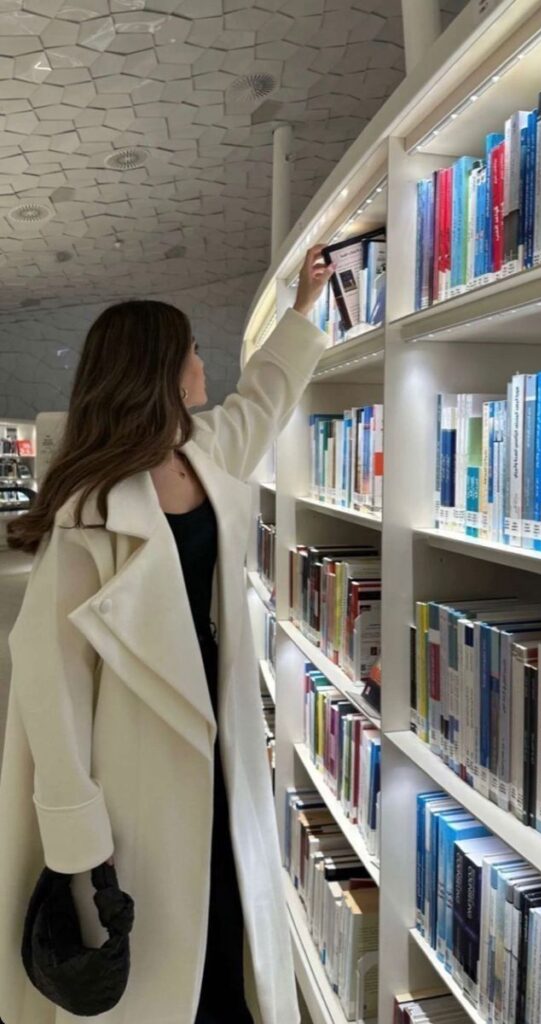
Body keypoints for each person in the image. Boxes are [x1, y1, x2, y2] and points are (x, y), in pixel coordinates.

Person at [0, 246, 334, 1024]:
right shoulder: (90, 509)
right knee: (156, 944)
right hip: (133, 747)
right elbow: (49, 679)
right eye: (189, 349)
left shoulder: (205, 451)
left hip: (214, 715)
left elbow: (267, 395)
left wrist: (306, 304)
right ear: (160, 367)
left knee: (224, 906)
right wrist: (77, 833)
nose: (201, 362)